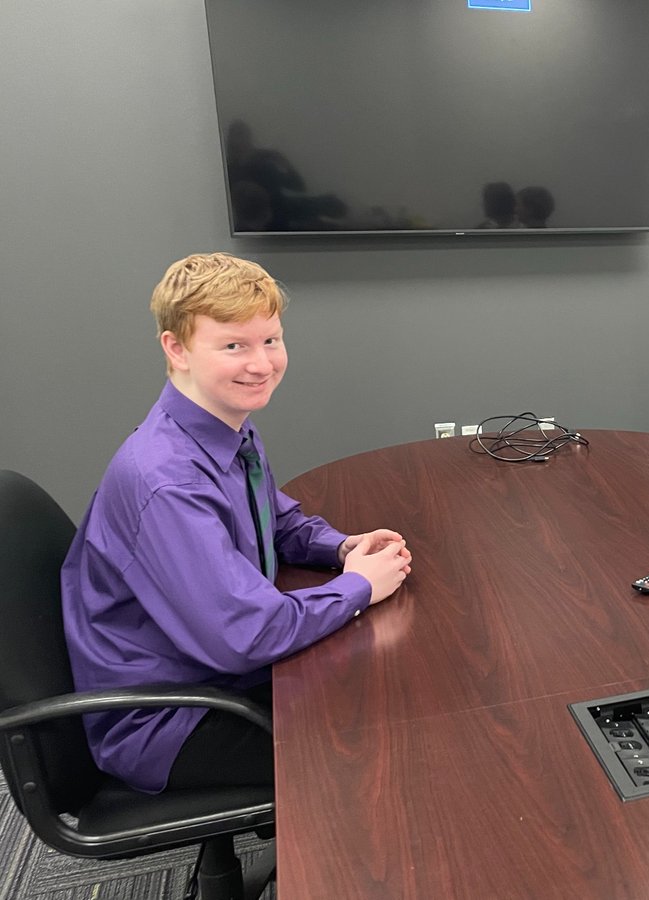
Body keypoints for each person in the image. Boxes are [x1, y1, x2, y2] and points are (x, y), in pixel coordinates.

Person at [61, 252, 413, 793]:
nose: (262, 363)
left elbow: (278, 522)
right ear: (175, 348)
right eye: (234, 346)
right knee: (379, 755)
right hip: (169, 717)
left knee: (392, 691)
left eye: (270, 340)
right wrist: (359, 588)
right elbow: (246, 634)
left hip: (215, 669)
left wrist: (341, 549)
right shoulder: (166, 479)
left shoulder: (225, 426)